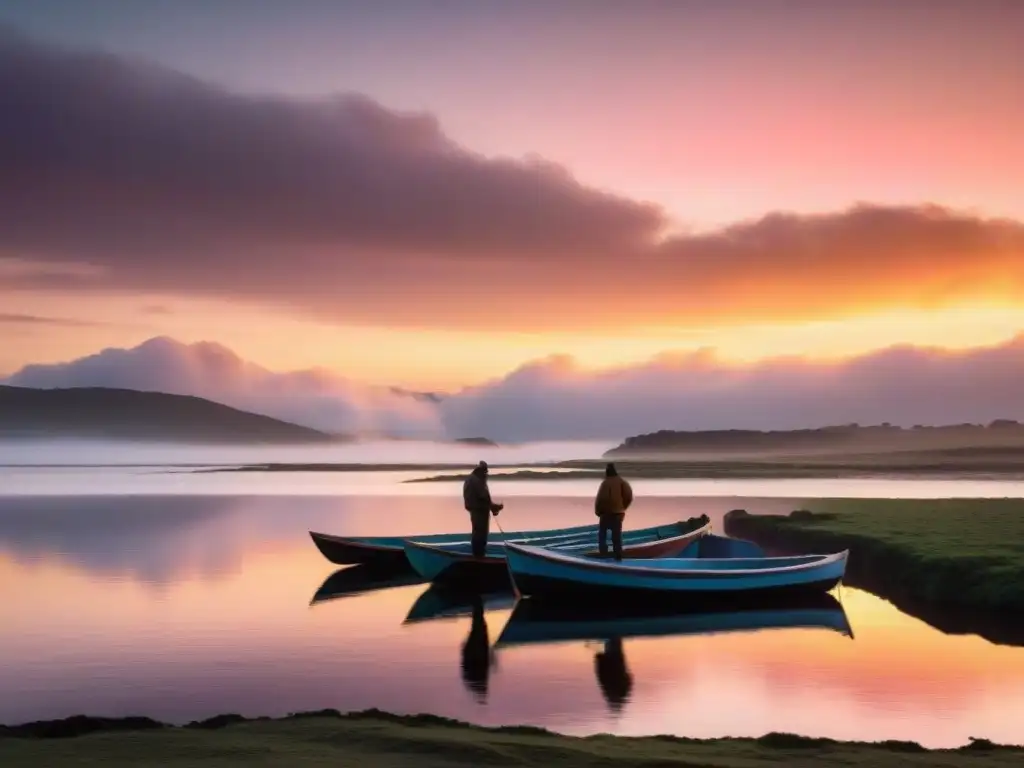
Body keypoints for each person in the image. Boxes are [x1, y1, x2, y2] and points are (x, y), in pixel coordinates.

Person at [463, 461, 503, 558]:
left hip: (475, 510)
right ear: (481, 470)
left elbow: (482, 498)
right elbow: (483, 497)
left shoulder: (471, 479)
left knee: (476, 533)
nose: (486, 474)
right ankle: (479, 557)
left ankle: (477, 555)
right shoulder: (477, 481)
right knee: (481, 535)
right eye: (485, 472)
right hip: (479, 511)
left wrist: (492, 507)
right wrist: (494, 507)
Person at [594, 462, 632, 561]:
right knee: (616, 536)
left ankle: (603, 554)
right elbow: (629, 496)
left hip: (605, 514)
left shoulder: (605, 483)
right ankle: (618, 556)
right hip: (617, 514)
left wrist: (598, 511)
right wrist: (623, 507)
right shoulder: (622, 482)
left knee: (602, 535)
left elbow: (600, 499)